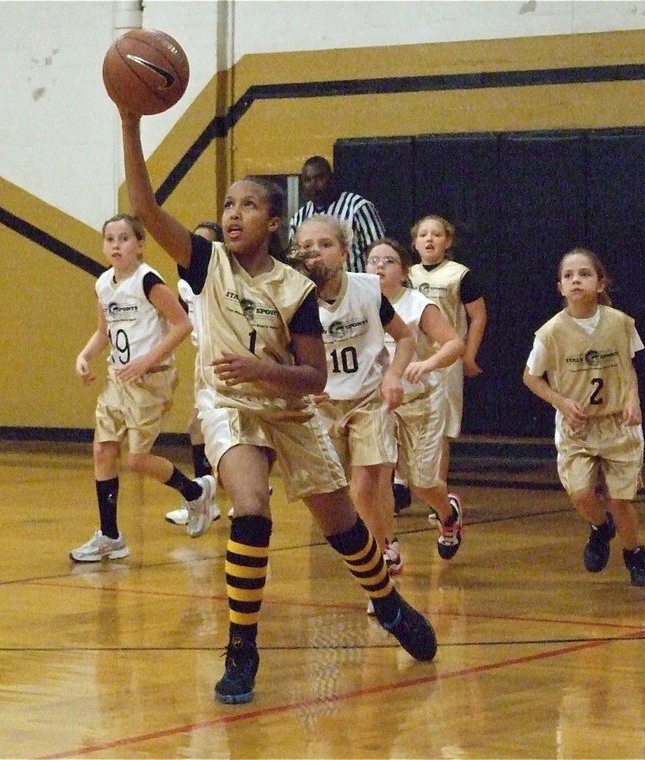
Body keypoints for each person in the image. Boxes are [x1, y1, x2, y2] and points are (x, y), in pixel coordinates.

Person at [119, 108, 438, 705]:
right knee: (250, 504)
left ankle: (389, 604)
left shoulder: (296, 291)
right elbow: (145, 206)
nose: (233, 213)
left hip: (287, 404)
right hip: (228, 401)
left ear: (272, 222)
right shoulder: (205, 262)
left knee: (342, 527)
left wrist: (261, 368)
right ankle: (242, 647)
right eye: (229, 205)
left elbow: (313, 378)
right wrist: (131, 123)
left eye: (246, 205)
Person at [69, 213, 216, 562]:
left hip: (152, 378)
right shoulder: (104, 283)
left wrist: (146, 361)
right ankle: (110, 535)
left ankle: (195, 492)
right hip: (119, 377)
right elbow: (104, 331)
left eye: (123, 238)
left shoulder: (148, 280)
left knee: (136, 459)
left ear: (140, 245)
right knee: (103, 450)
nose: (116, 245)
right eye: (110, 239)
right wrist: (85, 355)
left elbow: (183, 324)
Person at [522, 247, 645, 587]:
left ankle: (634, 554)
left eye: (584, 274)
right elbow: (531, 377)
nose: (576, 280)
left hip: (617, 424)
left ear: (600, 283)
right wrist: (560, 402)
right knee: (581, 494)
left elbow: (630, 369)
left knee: (620, 500)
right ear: (560, 287)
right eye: (569, 276)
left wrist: (632, 398)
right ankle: (600, 527)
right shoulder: (550, 333)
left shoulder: (620, 323)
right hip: (577, 426)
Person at [292, 215, 415, 576]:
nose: (315, 252)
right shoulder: (293, 298)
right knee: (335, 494)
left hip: (368, 398)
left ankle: (378, 566)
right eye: (307, 246)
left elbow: (406, 338)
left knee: (364, 486)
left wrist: (393, 375)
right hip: (323, 405)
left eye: (325, 244)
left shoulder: (367, 289)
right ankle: (384, 542)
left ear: (344, 252)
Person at [365, 238, 466, 563]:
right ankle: (387, 547)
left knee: (422, 483)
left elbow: (454, 344)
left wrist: (427, 363)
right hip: (378, 402)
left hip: (421, 399)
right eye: (373, 260)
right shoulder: (360, 302)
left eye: (389, 261)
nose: (379, 266)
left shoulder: (417, 304)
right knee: (380, 475)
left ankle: (447, 514)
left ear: (405, 272)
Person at [405, 214, 487, 520]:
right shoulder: (405, 274)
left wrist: (469, 355)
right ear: (414, 242)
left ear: (447, 241)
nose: (429, 239)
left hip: (446, 358)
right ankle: (401, 486)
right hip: (410, 358)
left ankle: (436, 493)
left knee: (441, 429)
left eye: (436, 234)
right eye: (423, 234)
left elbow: (478, 316)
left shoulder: (459, 275)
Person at [165, 221, 224, 527]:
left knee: (232, 428)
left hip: (226, 358)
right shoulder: (185, 284)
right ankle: (208, 497)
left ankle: (220, 493)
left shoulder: (221, 279)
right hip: (205, 360)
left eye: (204, 243)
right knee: (198, 426)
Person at [287, 155, 386, 273]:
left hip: (356, 286)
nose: (313, 184)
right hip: (315, 287)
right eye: (307, 180)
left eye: (319, 178)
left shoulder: (357, 207)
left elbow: (380, 252)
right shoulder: (298, 218)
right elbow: (294, 261)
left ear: (331, 178)